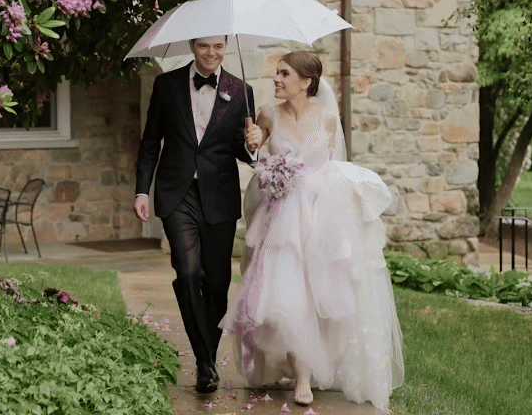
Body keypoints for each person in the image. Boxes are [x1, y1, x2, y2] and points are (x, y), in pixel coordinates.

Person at [221, 51, 404, 412]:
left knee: (317, 296)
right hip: (281, 220)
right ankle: (299, 373)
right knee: (286, 296)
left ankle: (308, 372)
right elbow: (256, 156)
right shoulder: (268, 114)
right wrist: (253, 142)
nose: (277, 79)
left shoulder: (329, 119)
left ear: (306, 82)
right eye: (277, 73)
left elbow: (333, 166)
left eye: (285, 74)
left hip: (322, 218)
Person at [134, 35, 263, 394]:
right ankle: (205, 362)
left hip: (219, 197)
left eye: (218, 47)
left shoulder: (241, 91)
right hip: (177, 195)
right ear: (193, 46)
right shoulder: (166, 85)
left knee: (218, 283)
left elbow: (241, 150)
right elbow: (150, 142)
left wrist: (252, 146)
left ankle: (206, 355)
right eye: (204, 47)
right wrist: (142, 189)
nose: (212, 54)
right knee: (189, 273)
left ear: (226, 48)